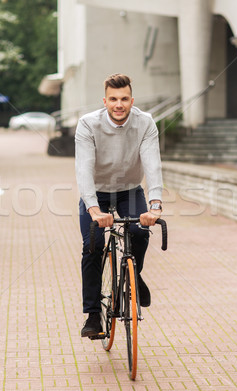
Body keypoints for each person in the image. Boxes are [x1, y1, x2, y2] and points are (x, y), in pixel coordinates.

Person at [75, 73, 163, 338]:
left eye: (124, 98)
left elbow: (153, 164)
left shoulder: (145, 123)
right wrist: (93, 209)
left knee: (139, 232)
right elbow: (84, 169)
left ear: (132, 100)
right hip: (97, 194)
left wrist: (155, 205)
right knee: (93, 246)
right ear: (105, 101)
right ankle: (92, 316)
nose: (119, 104)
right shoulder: (88, 124)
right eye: (113, 99)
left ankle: (134, 276)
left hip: (129, 190)